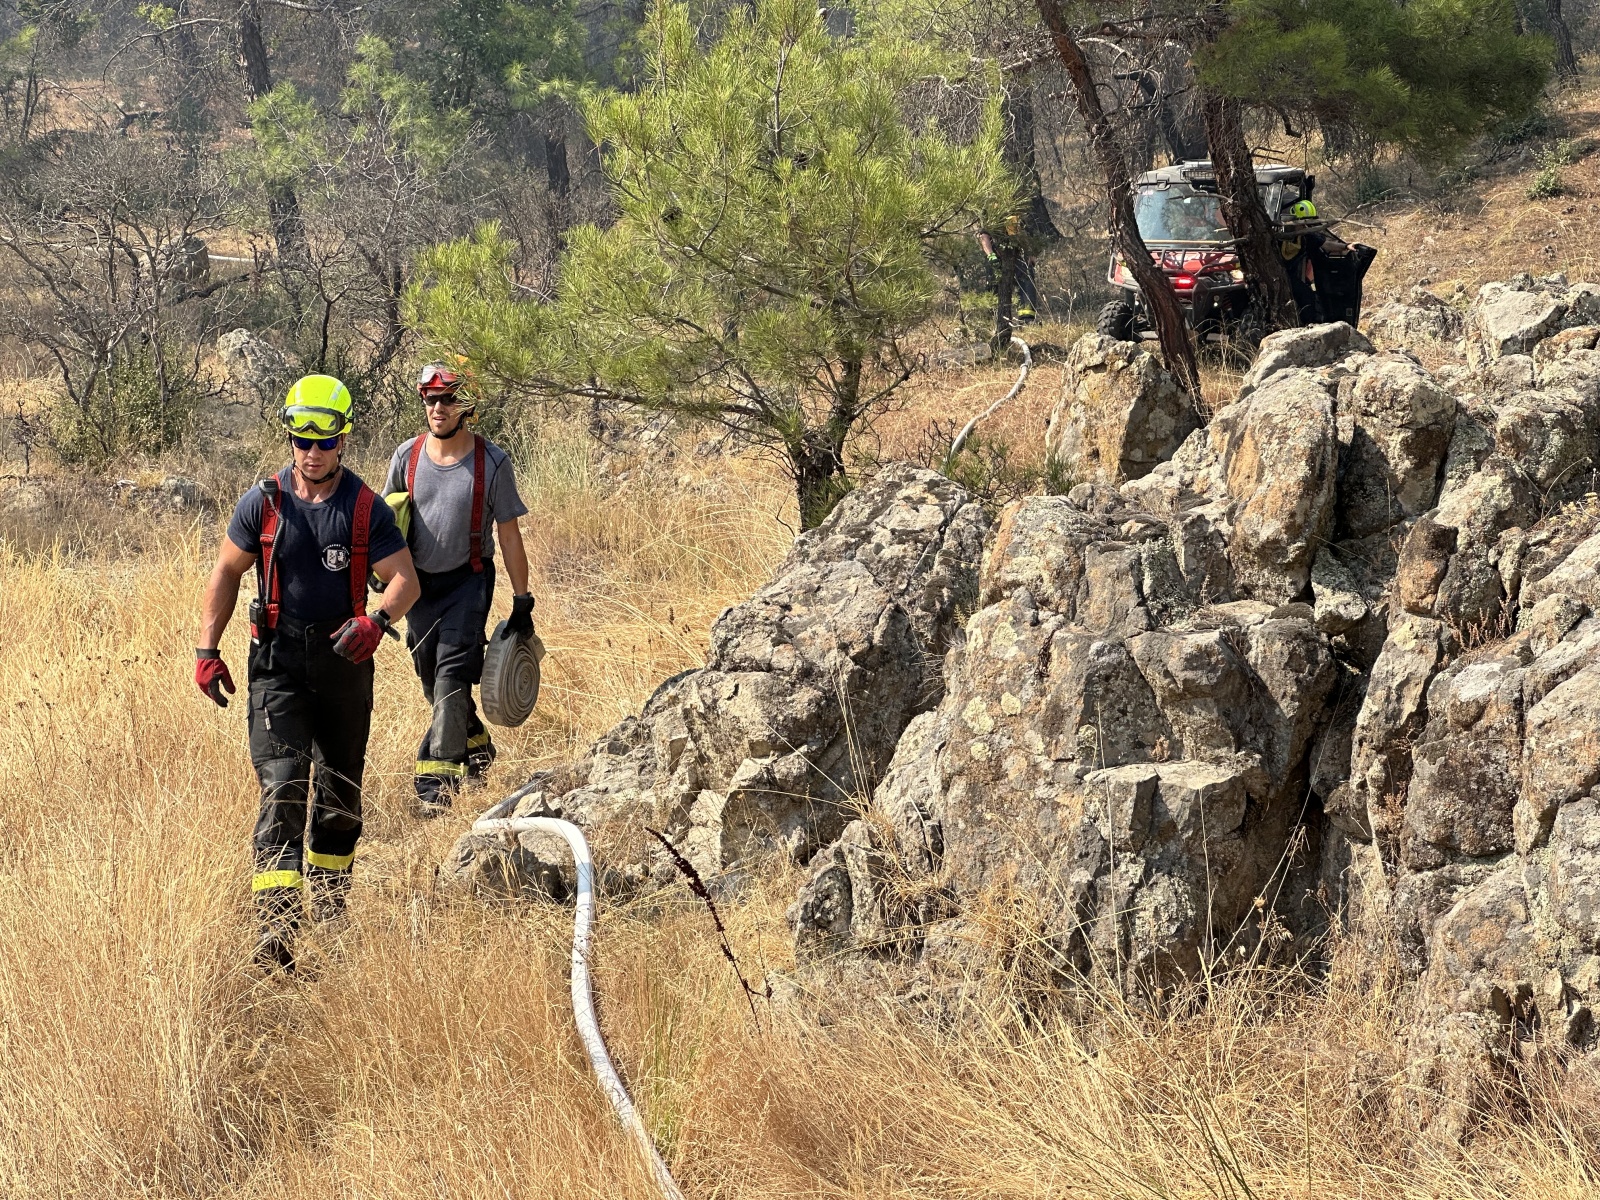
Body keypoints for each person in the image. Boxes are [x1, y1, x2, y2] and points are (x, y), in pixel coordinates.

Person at [196, 375, 419, 970]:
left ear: (343, 439)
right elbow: (225, 573)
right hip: (277, 664)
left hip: (346, 663)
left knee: (340, 792)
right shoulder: (262, 503)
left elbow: (405, 580)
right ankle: (276, 939)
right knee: (284, 783)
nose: (311, 452)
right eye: (301, 440)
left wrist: (378, 620)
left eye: (323, 441)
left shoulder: (366, 507)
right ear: (290, 438)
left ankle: (332, 908)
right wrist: (205, 650)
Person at [383, 362, 533, 817]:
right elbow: (386, 527)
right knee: (430, 677)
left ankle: (437, 787)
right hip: (416, 587)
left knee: (449, 676)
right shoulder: (405, 458)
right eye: (430, 399)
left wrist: (523, 602)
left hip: (468, 582)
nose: (438, 408)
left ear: (467, 405)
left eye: (447, 399)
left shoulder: (493, 463)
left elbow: (509, 536)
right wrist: (380, 575)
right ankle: (478, 744)